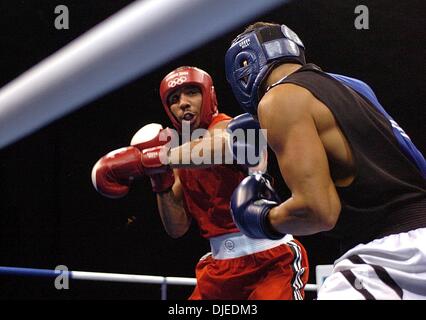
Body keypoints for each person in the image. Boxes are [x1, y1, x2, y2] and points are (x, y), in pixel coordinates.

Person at [225, 22, 426, 300]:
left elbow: (319, 212)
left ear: (243, 66)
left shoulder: (278, 100)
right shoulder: (356, 87)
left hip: (393, 254)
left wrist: (263, 219)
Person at [91, 66, 309, 300]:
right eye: (174, 99)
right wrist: (158, 176)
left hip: (270, 259)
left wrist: (153, 159)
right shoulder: (177, 157)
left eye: (191, 93)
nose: (183, 103)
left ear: (209, 96)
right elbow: (177, 228)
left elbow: (220, 146)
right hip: (219, 269)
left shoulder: (231, 127)